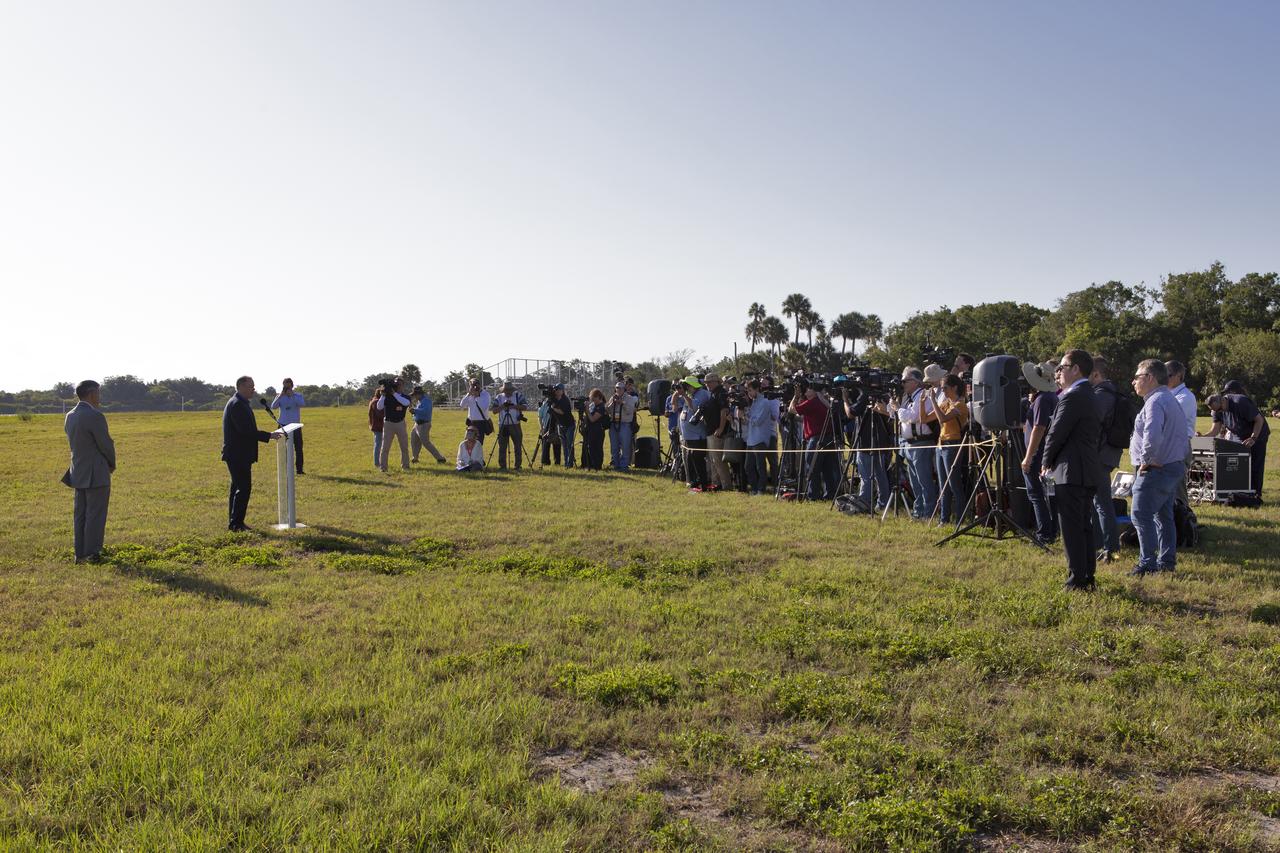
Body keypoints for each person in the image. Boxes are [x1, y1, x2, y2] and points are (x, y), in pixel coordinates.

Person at [1040, 350, 1102, 591]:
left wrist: (1045, 461)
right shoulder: (1091, 394)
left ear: (1076, 369)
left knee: (1072, 528)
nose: (1058, 373)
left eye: (1062, 368)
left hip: (1071, 470)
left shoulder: (1073, 396)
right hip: (1086, 468)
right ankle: (1087, 576)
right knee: (1084, 526)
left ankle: (1077, 579)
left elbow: (1057, 433)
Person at [1128, 359, 1190, 575]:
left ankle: (1147, 564)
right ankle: (1166, 562)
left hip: (1157, 467)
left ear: (1150, 378)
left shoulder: (1155, 401)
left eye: (1137, 377)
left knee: (1140, 514)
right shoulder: (1168, 398)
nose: (1133, 381)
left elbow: (1152, 433)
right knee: (1163, 516)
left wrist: (1146, 459)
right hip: (1172, 465)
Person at [61, 379, 116, 563]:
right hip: (96, 472)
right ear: (92, 394)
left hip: (77, 471)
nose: (99, 398)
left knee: (81, 515)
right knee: (95, 514)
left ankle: (80, 553)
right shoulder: (95, 416)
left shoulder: (70, 415)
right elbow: (106, 444)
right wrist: (112, 463)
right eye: (98, 393)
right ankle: (92, 554)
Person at [222, 376, 281, 532]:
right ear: (241, 386)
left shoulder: (240, 403)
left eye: (254, 387)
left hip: (239, 453)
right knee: (243, 488)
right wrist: (268, 435)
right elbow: (245, 431)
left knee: (237, 488)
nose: (253, 390)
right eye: (250, 387)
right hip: (237, 454)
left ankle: (235, 522)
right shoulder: (237, 405)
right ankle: (236, 524)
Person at [1204, 389, 1270, 501]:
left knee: (1255, 465)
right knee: (1241, 464)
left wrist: (1253, 438)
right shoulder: (1216, 410)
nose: (1218, 412)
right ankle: (1241, 492)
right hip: (1241, 435)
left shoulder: (1240, 402)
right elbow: (1215, 431)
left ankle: (1255, 495)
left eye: (1219, 409)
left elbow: (1259, 419)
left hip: (1258, 434)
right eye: (1215, 411)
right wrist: (1201, 438)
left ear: (1223, 401)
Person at [1020, 360, 1060, 544]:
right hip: (1045, 452)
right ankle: (1052, 530)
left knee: (1036, 494)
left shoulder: (1043, 400)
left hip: (1037, 453)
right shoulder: (1050, 397)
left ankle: (1044, 533)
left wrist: (1028, 457)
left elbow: (1039, 427)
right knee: (1048, 494)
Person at [1088, 356, 1123, 562]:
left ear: (1096, 374)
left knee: (1102, 501)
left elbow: (1093, 422)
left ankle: (1110, 546)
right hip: (1103, 452)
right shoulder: (1106, 392)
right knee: (1097, 500)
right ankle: (1100, 542)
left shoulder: (1103, 394)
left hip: (1101, 454)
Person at [895, 367, 940, 519]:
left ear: (915, 381)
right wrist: (893, 406)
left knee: (924, 480)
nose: (902, 384)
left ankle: (929, 512)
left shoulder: (923, 395)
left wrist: (898, 410)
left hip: (921, 443)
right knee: (914, 482)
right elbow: (900, 416)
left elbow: (914, 417)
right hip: (909, 444)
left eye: (905, 380)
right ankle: (918, 511)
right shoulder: (907, 398)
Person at [790, 381, 839, 501]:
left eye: (809, 389)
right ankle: (830, 494)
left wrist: (795, 396)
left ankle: (814, 496)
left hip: (816, 439)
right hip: (828, 438)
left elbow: (792, 410)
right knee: (827, 469)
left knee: (812, 468)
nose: (806, 391)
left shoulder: (812, 402)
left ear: (815, 391)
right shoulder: (823, 402)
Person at [844, 384, 890, 511]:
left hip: (866, 443)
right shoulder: (883, 396)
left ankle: (864, 502)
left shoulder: (864, 397)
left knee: (866, 475)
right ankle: (883, 503)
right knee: (880, 474)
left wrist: (845, 399)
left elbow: (851, 413)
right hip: (881, 442)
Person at [934, 374, 970, 524]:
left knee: (954, 484)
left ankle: (960, 519)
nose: (943, 391)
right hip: (941, 445)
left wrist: (932, 401)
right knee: (943, 486)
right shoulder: (947, 403)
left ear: (954, 387)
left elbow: (942, 418)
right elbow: (926, 417)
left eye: (945, 388)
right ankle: (944, 519)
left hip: (953, 444)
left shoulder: (960, 405)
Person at [1165, 360, 1197, 505]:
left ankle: (1185, 521)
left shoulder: (1185, 397)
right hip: (1169, 445)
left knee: (1178, 488)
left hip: (1179, 445)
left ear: (1178, 376)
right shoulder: (1168, 394)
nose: (1164, 379)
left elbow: (1168, 418)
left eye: (1168, 375)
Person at [743, 379, 778, 495]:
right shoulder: (753, 402)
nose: (748, 393)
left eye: (750, 390)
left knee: (760, 467)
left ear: (757, 389)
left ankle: (760, 489)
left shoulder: (765, 403)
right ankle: (754, 488)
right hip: (751, 439)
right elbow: (750, 419)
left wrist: (746, 417)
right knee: (748, 466)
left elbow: (757, 421)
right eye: (747, 390)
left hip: (761, 439)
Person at [677, 377, 711, 491]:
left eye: (687, 386)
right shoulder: (692, 395)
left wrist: (684, 395)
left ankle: (703, 484)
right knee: (690, 461)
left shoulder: (701, 394)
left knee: (698, 461)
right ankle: (694, 484)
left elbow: (694, 407)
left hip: (697, 436)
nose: (686, 388)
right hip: (688, 436)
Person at [269, 378, 305, 474]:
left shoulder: (298, 395)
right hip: (282, 425)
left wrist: (292, 396)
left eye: (288, 386)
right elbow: (273, 406)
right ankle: (283, 469)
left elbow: (302, 404)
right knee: (282, 448)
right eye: (285, 386)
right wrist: (280, 396)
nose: (286, 388)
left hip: (295, 426)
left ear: (292, 386)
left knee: (298, 448)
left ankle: (299, 470)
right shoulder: (280, 396)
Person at [377, 377, 411, 472]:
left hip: (400, 423)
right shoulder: (387, 396)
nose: (397, 386)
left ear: (403, 386)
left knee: (404, 446)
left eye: (399, 384)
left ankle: (405, 466)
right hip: (388, 423)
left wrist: (394, 394)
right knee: (385, 447)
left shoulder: (405, 397)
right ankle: (383, 467)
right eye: (395, 384)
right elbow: (379, 407)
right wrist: (383, 395)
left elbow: (406, 403)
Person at [492, 381, 528, 471]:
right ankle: (502, 466)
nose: (508, 392)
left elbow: (525, 406)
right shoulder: (499, 397)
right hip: (503, 424)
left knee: (518, 446)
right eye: (506, 390)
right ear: (504, 390)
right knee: (502, 447)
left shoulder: (517, 395)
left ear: (512, 390)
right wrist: (503, 406)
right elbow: (494, 410)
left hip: (515, 424)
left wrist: (514, 406)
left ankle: (518, 466)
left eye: (510, 390)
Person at [410, 387, 447, 464]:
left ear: (419, 394)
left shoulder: (427, 401)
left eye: (415, 395)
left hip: (423, 424)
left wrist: (414, 410)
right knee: (414, 440)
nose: (414, 397)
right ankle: (415, 458)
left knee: (426, 442)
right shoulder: (420, 401)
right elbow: (418, 412)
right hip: (417, 424)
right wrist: (414, 414)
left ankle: (440, 458)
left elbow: (425, 411)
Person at [607, 380, 637, 472]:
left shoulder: (629, 398)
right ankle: (616, 464)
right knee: (614, 446)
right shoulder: (613, 398)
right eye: (616, 388)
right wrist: (613, 403)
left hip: (625, 425)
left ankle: (624, 466)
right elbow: (607, 410)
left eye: (620, 388)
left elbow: (630, 411)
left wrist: (622, 403)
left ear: (624, 389)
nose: (618, 390)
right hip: (613, 424)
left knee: (625, 446)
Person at [547, 384, 576, 467]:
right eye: (556, 389)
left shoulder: (565, 400)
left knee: (569, 445)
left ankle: (569, 463)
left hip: (569, 425)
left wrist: (553, 408)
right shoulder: (554, 399)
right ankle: (566, 463)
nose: (557, 391)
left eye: (558, 389)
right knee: (564, 445)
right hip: (560, 425)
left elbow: (562, 412)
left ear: (562, 391)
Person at [582, 387, 609, 470]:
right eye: (591, 398)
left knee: (597, 448)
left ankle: (597, 466)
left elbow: (593, 419)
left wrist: (586, 410)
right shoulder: (593, 405)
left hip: (598, 431)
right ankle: (590, 464)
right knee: (591, 448)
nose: (592, 400)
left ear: (599, 397)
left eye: (594, 398)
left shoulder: (601, 407)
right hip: (591, 430)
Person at [460, 379, 492, 443]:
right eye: (471, 386)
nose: (473, 387)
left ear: (479, 385)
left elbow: (484, 408)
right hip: (471, 422)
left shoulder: (485, 394)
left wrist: (477, 396)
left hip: (481, 423)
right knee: (468, 442)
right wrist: (468, 394)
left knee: (478, 443)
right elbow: (462, 405)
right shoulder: (469, 395)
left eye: (475, 385)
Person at [368, 388, 384, 467]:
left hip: (376, 425)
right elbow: (380, 414)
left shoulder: (373, 401)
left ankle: (378, 462)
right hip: (378, 426)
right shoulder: (376, 402)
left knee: (378, 444)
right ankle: (377, 462)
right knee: (378, 444)